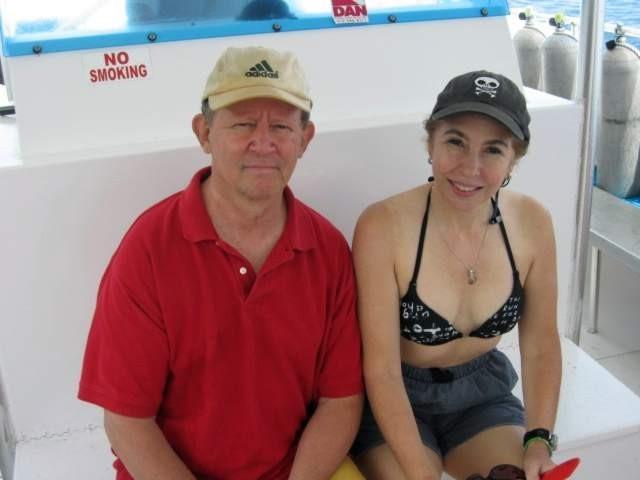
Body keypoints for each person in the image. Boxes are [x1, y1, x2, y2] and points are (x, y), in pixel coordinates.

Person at [78, 45, 364, 480]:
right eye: (243, 123)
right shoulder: (148, 249)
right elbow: (126, 421)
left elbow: (340, 401)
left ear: (304, 140)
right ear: (204, 133)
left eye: (282, 126)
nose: (263, 142)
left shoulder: (328, 250)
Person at [350, 71, 561, 480]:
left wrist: (539, 439)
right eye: (455, 142)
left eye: (493, 150)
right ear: (430, 142)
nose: (470, 167)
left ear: (515, 159)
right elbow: (381, 369)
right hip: (395, 398)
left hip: (482, 394)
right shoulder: (382, 226)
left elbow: (540, 345)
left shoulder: (533, 222)